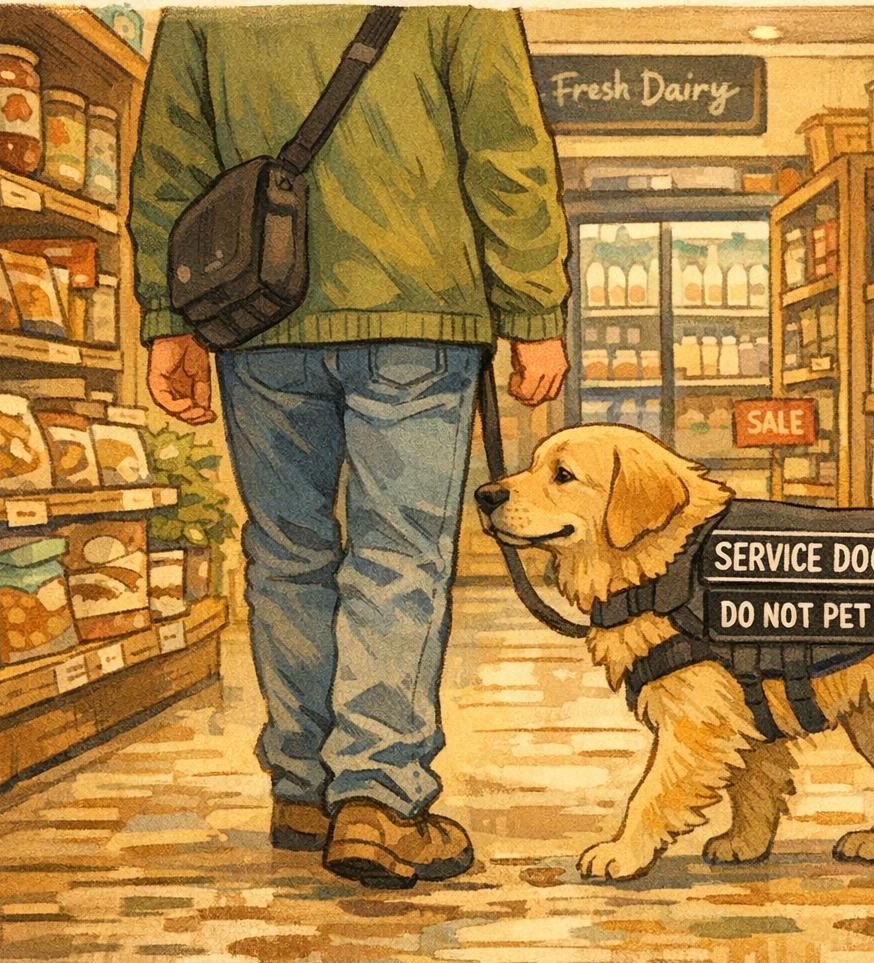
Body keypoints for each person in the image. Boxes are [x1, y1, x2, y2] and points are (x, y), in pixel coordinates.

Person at [130, 5, 569, 889]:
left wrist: (167, 317)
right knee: (398, 554)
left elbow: (170, 162)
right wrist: (533, 310)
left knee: (286, 553)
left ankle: (303, 788)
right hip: (419, 312)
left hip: (257, 310)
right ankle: (377, 798)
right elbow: (506, 153)